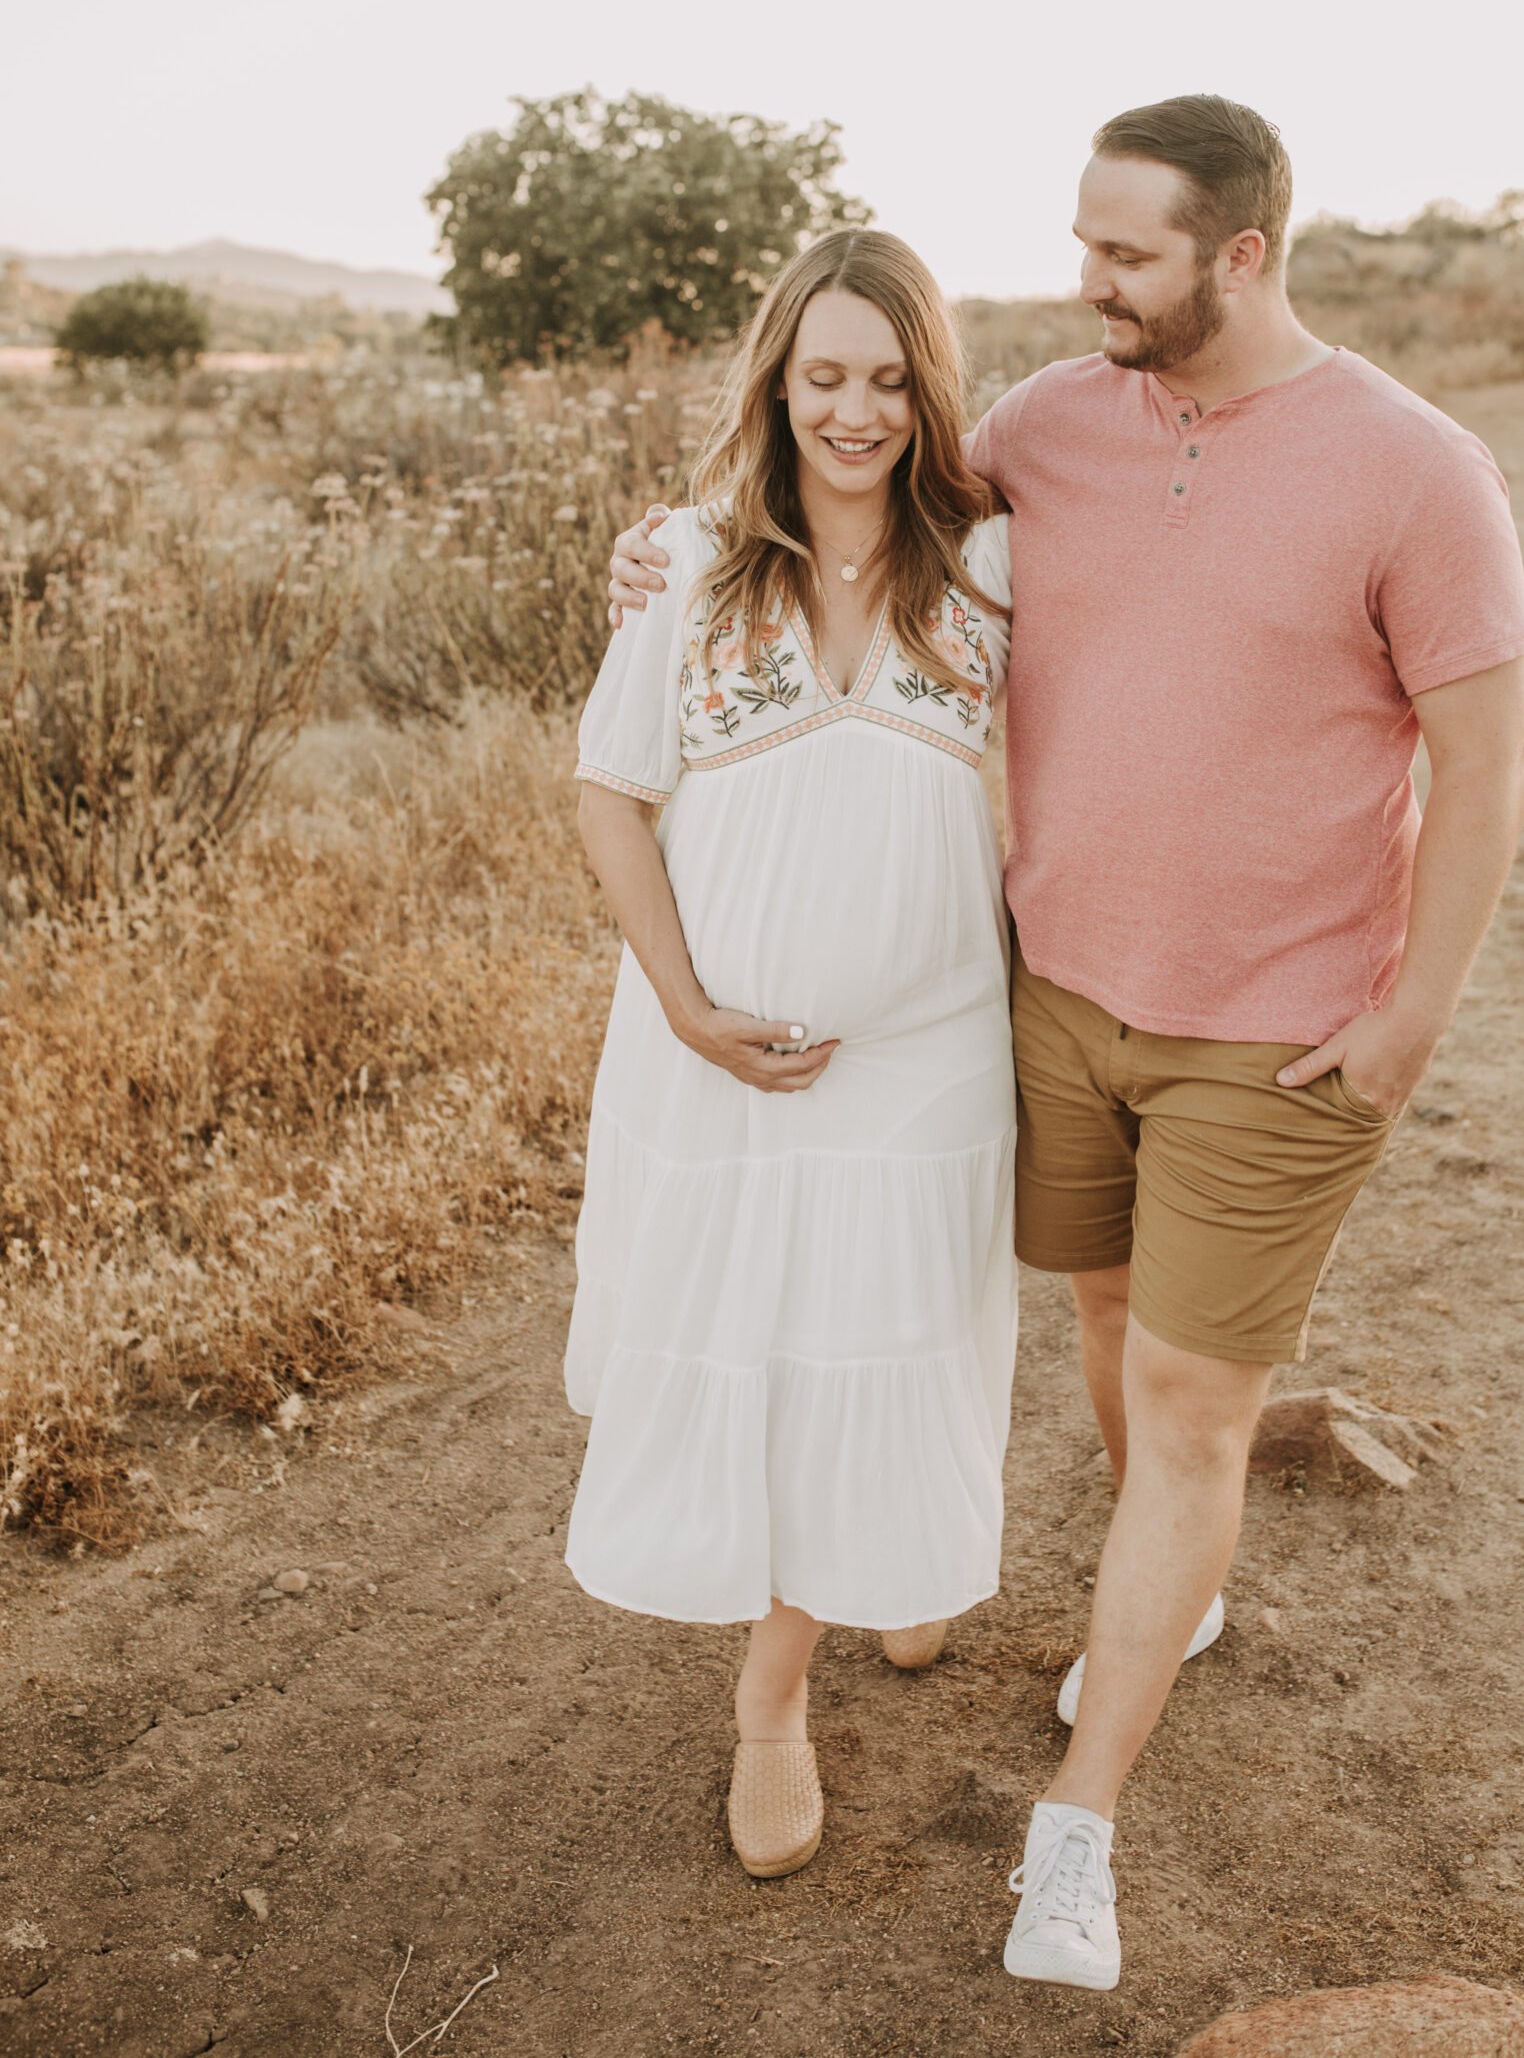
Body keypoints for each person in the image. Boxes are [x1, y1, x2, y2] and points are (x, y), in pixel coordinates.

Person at [606, 94, 1524, 1990]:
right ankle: (1092, 1585)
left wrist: (1406, 1021)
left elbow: (1489, 767)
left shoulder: (1419, 473)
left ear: (1242, 254)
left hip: (1270, 1039)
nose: (1086, 279)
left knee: (1190, 1408)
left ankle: (1077, 1827)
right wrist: (663, 545)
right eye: (1081, 243)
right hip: (1056, 1006)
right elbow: (846, 499)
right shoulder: (1045, 430)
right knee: (1088, 1325)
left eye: (1125, 255)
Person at [565, 226, 1019, 1883]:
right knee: (764, 1347)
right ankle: (775, 1711)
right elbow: (614, 793)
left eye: (892, 380)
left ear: (930, 389)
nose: (857, 411)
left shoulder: (992, 563)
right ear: (777, 380)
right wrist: (686, 1006)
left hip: (925, 1052)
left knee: (883, 1338)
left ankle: (850, 1597)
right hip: (719, 1047)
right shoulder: (684, 560)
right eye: (825, 375)